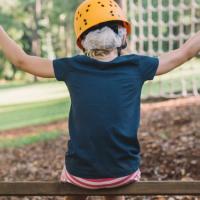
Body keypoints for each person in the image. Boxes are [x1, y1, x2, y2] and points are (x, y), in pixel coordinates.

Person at [0, 0, 199, 199]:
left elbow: (22, 60)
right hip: (123, 173)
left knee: (77, 184)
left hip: (81, 175)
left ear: (83, 39)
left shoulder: (73, 67)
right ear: (121, 36)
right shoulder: (137, 66)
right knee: (114, 185)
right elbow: (183, 53)